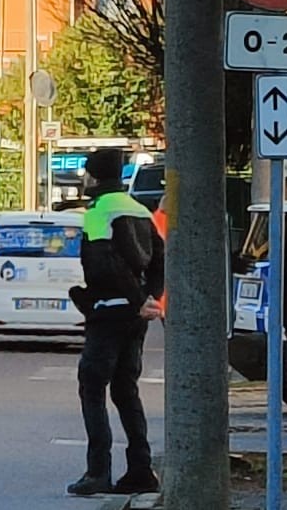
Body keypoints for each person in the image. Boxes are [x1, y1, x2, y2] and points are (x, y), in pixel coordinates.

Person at [66, 147, 165, 497]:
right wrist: (149, 298)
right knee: (126, 390)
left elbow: (102, 263)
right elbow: (159, 258)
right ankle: (141, 469)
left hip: (108, 311)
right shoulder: (139, 209)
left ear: (92, 176)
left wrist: (133, 301)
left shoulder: (98, 214)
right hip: (136, 316)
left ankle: (98, 472)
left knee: (92, 387)